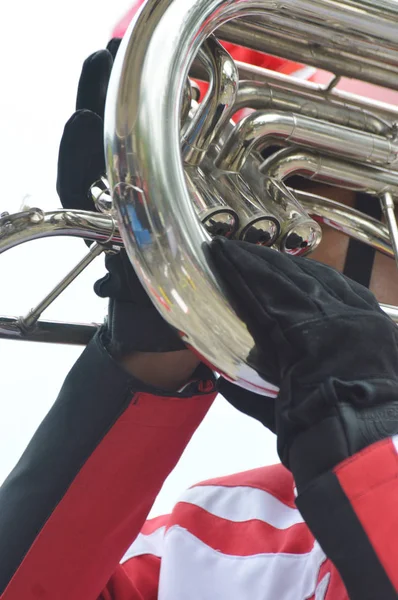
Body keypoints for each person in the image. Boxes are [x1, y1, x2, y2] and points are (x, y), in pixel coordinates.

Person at [1, 38, 398, 600]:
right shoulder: (212, 539)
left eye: (303, 181)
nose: (269, 225)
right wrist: (146, 363)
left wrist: (364, 442)